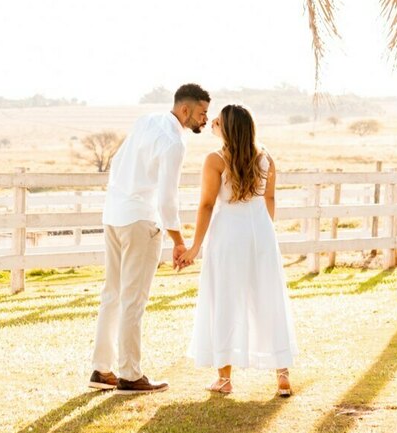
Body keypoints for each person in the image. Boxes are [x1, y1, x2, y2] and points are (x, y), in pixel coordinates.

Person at [88, 83, 210, 393]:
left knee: (112, 294)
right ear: (185, 110)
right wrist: (179, 241)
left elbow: (118, 164)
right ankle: (130, 374)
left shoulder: (145, 121)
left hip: (114, 215)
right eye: (202, 113)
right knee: (133, 299)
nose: (205, 120)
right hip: (140, 221)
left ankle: (102, 370)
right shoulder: (173, 142)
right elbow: (167, 199)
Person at [181, 103, 297, 398]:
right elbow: (269, 200)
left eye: (217, 121)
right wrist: (262, 233)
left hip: (228, 235)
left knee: (225, 298)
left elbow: (207, 204)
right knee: (268, 297)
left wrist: (194, 246)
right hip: (261, 232)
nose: (212, 124)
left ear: (227, 128)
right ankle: (282, 375)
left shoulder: (216, 160)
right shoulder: (266, 158)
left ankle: (224, 378)